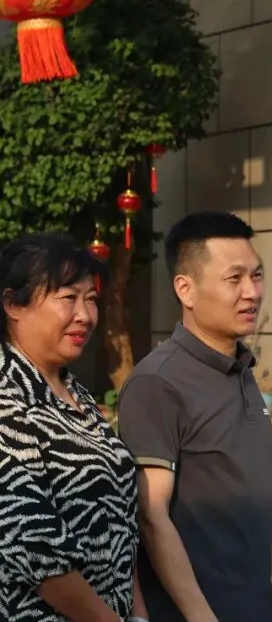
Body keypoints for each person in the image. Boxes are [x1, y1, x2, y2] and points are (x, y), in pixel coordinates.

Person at [116, 212, 272, 622]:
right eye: (234, 278)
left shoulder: (242, 371)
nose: (252, 292)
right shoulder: (158, 383)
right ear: (185, 289)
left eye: (257, 275)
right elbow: (151, 516)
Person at [0, 233, 146, 622]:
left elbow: (120, 520)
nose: (85, 315)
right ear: (13, 304)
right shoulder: (7, 397)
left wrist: (138, 614)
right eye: (68, 297)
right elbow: (33, 544)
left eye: (91, 299)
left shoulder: (75, 391)